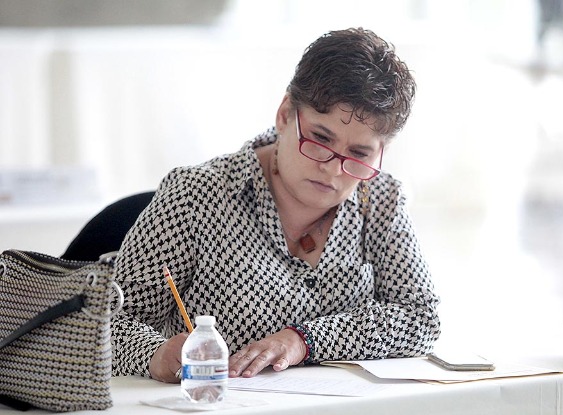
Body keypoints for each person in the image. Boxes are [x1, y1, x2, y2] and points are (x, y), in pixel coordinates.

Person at [112, 27, 441, 383]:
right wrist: (155, 355)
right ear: (285, 114)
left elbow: (421, 317)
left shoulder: (380, 200)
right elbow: (108, 323)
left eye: (359, 154)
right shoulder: (196, 195)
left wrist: (304, 341)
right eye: (320, 139)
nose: (333, 168)